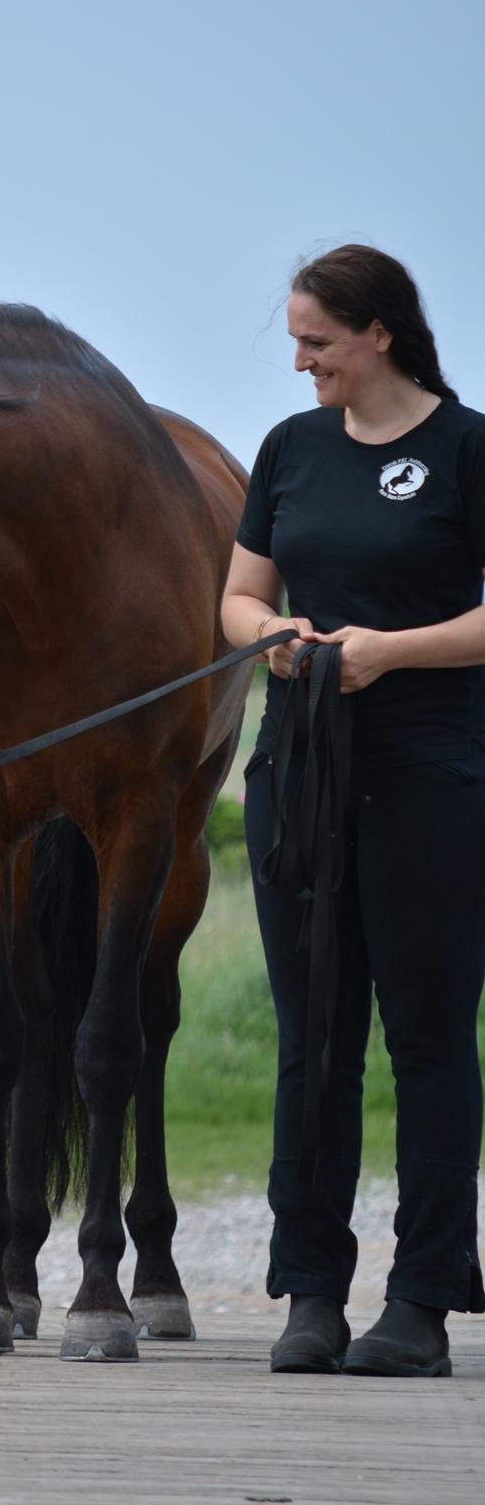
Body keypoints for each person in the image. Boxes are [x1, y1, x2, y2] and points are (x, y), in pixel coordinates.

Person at [221, 244, 485, 1378]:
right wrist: (274, 641)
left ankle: (420, 1301)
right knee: (310, 1041)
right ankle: (311, 1292)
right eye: (294, 340)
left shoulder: (466, 448)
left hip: (429, 777)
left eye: (315, 341)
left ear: (376, 333)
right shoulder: (288, 450)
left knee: (425, 1041)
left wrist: (388, 652)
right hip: (301, 775)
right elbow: (238, 596)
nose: (299, 362)